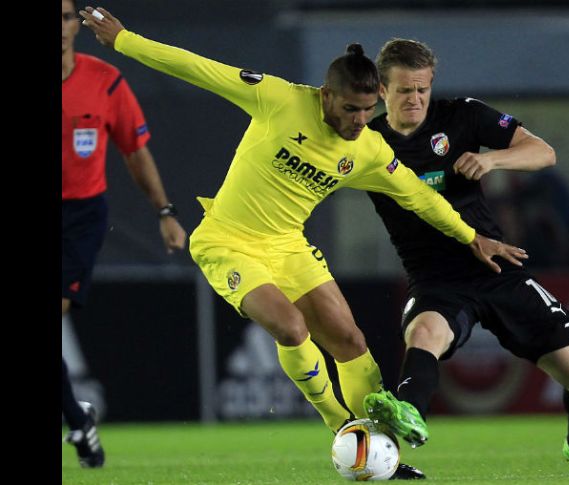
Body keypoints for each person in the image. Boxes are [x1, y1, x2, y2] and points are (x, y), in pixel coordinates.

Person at [80, 7, 527, 480]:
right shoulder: (279, 99)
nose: (359, 121)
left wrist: (472, 236)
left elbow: (420, 198)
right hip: (227, 242)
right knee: (292, 328)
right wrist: (125, 40)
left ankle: (380, 453)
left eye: (368, 111)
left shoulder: (370, 149)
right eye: (350, 110)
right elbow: (199, 68)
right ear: (326, 94)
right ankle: (343, 427)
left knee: (351, 342)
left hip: (288, 246)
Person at [362, 38, 569, 475]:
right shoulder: (366, 143)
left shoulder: (462, 115)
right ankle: (408, 414)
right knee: (425, 333)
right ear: (382, 92)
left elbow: (544, 152)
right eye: (405, 90)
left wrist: (494, 161)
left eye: (422, 89)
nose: (416, 99)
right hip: (435, 279)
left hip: (498, 267)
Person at [62, 0, 188, 468]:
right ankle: (78, 419)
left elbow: (136, 152)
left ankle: (77, 419)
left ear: (76, 24)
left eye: (64, 16)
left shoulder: (105, 82)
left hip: (79, 218)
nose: (59, 27)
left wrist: (166, 212)